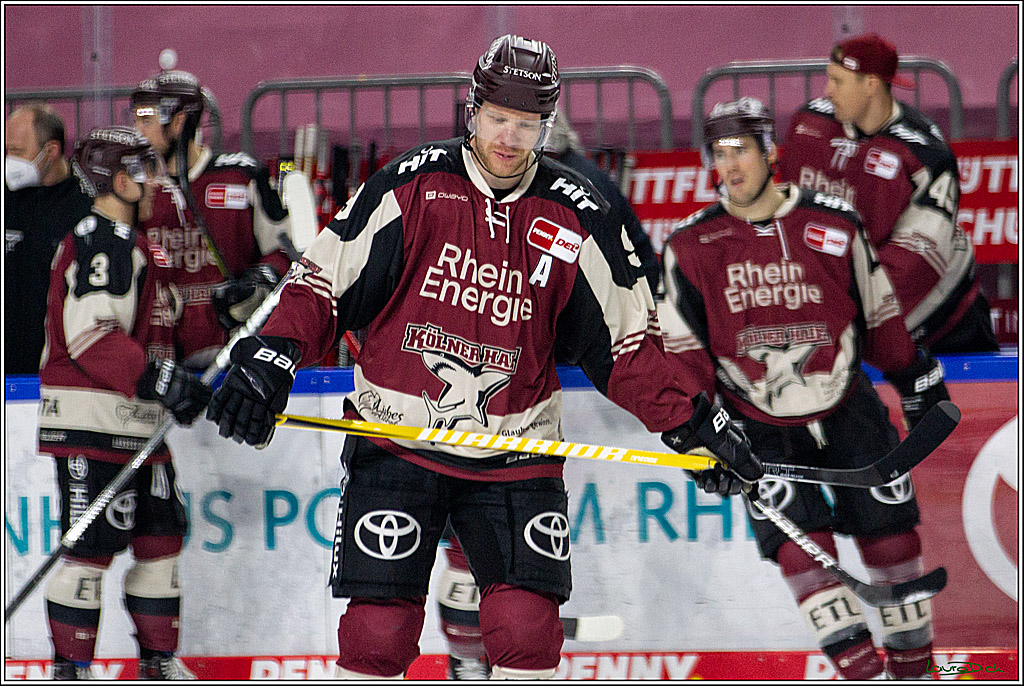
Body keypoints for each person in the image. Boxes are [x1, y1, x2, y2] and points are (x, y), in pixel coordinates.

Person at [206, 34, 762, 680]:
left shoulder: (579, 214)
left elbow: (630, 347)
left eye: (527, 124)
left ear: (547, 126)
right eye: (497, 118)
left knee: (526, 631)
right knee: (375, 635)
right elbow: (321, 284)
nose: (508, 137)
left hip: (515, 453)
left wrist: (694, 424)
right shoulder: (410, 187)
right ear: (472, 108)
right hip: (397, 439)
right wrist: (269, 356)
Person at [660, 97, 951, 680]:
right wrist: (696, 436)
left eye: (741, 149)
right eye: (719, 153)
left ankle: (915, 671)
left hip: (851, 413)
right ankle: (865, 674)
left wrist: (913, 376)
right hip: (760, 433)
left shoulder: (835, 224)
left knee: (892, 545)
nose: (731, 165)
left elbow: (879, 312)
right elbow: (685, 354)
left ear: (771, 152)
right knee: (804, 555)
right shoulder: (691, 246)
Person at [435, 111, 662, 680]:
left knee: (507, 540)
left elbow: (638, 286)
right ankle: (470, 659)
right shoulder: (446, 181)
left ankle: (500, 643)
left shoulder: (585, 191)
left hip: (548, 396)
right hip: (490, 390)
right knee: (465, 542)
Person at [38, 126, 211, 680]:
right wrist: (159, 380)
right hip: (94, 422)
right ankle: (72, 667)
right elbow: (92, 335)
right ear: (119, 179)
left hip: (140, 423)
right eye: (146, 169)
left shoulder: (139, 244)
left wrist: (226, 310)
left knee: (160, 543)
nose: (157, 179)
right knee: (90, 552)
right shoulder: (101, 240)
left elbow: (164, 328)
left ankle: (159, 663)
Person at [779, 33, 997, 353]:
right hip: (853, 320)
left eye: (839, 81)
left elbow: (916, 262)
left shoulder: (925, 153)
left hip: (944, 322)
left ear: (870, 85)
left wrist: (833, 317)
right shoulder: (807, 125)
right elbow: (789, 219)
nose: (827, 91)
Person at [131, 68, 294, 370]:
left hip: (234, 356)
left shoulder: (239, 176)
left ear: (178, 122)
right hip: (160, 366)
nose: (138, 132)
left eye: (146, 120)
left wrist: (258, 281)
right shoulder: (136, 191)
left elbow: (286, 252)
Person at [5, 103, 93, 374]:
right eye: (6, 150)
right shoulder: (6, 199)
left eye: (17, 151)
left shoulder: (84, 205)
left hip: (60, 364)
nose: (9, 160)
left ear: (52, 151)